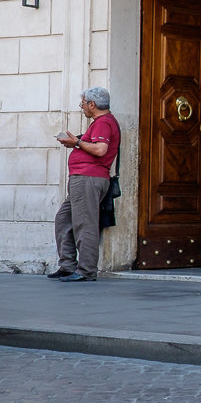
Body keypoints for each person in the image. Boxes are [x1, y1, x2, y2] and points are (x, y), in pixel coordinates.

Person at [47, 87, 121, 283]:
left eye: (83, 104)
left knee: (84, 224)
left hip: (89, 178)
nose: (82, 108)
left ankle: (86, 270)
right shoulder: (101, 122)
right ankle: (67, 266)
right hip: (83, 178)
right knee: (64, 220)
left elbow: (100, 149)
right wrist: (77, 141)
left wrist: (77, 143)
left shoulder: (104, 122)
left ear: (92, 104)